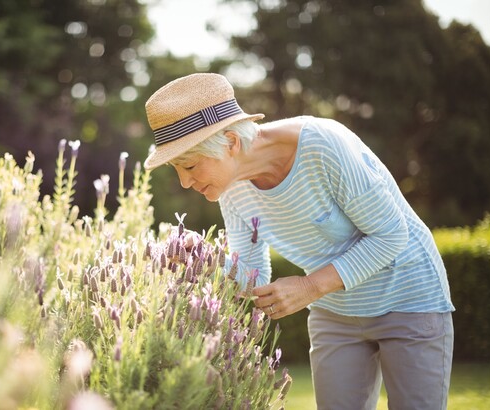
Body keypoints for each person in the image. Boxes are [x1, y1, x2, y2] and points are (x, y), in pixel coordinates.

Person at [143, 73, 455, 410]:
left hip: (408, 298)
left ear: (231, 142)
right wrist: (204, 259)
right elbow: (254, 278)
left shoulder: (322, 145)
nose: (185, 182)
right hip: (335, 313)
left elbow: (391, 234)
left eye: (189, 165)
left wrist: (309, 286)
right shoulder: (232, 191)